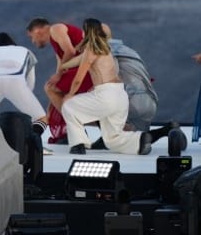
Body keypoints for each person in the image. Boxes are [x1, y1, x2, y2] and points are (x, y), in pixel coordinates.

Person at [59, 19, 152, 156]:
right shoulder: (104, 49)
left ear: (87, 31)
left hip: (106, 95)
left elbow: (78, 79)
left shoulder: (90, 48)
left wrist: (70, 94)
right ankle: (140, 140)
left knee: (68, 106)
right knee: (112, 140)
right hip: (120, 96)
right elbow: (77, 61)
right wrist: (63, 66)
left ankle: (78, 145)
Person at [26, 18, 93, 144]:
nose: (33, 42)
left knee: (49, 88)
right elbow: (61, 62)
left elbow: (70, 52)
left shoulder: (56, 29)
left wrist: (58, 74)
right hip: (81, 69)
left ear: (38, 31)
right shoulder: (54, 39)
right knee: (52, 88)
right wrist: (57, 81)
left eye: (31, 37)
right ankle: (72, 128)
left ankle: (74, 128)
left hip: (87, 69)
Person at [0, 32, 46, 130]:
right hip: (15, 80)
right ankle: (32, 139)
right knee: (41, 119)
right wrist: (26, 95)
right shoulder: (26, 51)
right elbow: (30, 79)